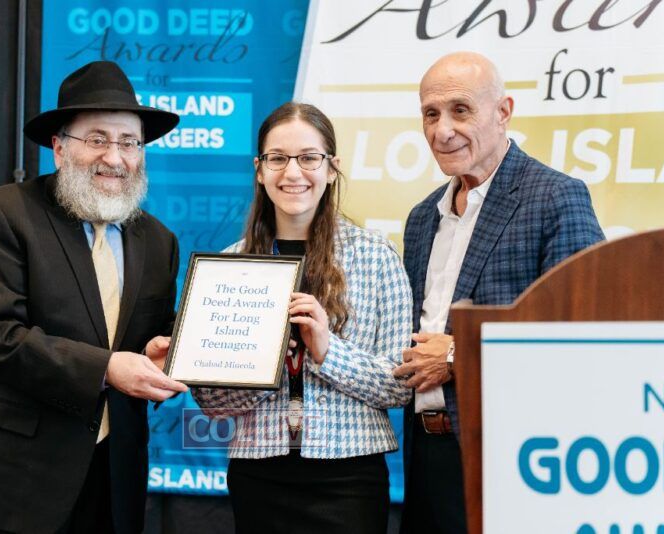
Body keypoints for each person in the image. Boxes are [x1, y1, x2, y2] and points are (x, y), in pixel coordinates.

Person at [0, 61, 188, 534]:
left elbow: (148, 339)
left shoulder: (160, 241)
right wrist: (107, 368)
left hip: (113, 482)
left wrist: (165, 352)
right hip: (14, 483)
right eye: (97, 139)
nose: (115, 157)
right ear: (59, 147)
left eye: (129, 142)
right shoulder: (5, 213)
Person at [393, 51, 605, 533]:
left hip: (513, 457)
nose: (442, 130)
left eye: (460, 110)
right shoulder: (422, 217)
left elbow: (586, 335)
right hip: (424, 457)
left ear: (503, 111)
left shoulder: (555, 197)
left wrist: (456, 357)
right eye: (430, 114)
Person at [185, 102, 412, 533]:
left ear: (332, 168)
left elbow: (400, 386)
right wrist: (263, 362)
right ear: (259, 170)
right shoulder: (229, 267)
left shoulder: (377, 257)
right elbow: (212, 404)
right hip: (258, 473)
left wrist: (328, 351)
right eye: (278, 159)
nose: (293, 173)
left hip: (349, 476)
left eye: (309, 158)